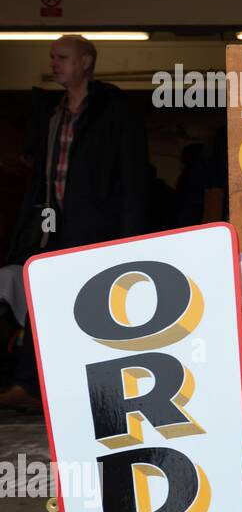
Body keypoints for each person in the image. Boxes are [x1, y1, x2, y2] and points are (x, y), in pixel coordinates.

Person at [0, 35, 150, 411]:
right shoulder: (53, 113)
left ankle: (107, 393)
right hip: (55, 227)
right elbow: (42, 179)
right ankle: (31, 386)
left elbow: (134, 177)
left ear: (85, 62)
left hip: (100, 228)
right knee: (45, 303)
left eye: (62, 57)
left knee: (101, 311)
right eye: (52, 57)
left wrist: (131, 238)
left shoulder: (112, 109)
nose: (54, 63)